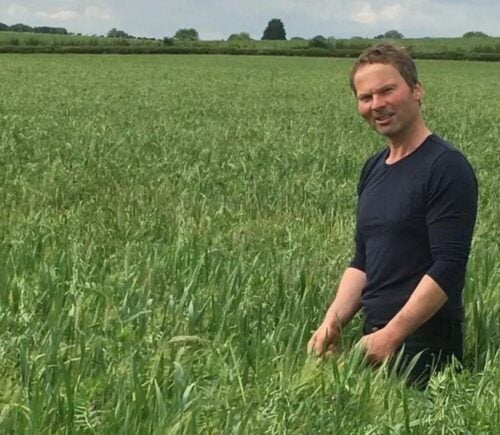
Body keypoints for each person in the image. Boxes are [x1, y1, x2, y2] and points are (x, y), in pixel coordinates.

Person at [307, 43, 478, 387]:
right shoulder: (373, 168)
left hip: (425, 349)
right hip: (373, 341)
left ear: (416, 90)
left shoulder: (445, 167)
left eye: (387, 90)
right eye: (366, 97)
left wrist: (392, 336)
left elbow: (448, 267)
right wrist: (332, 323)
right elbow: (362, 261)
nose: (377, 105)